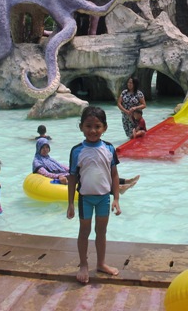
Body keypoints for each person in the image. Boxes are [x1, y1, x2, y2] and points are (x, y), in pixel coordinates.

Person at [67, 106, 122, 284]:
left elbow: (114, 174)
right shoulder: (77, 150)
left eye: (97, 126)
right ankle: (83, 264)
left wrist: (116, 198)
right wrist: (70, 203)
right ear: (81, 127)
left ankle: (101, 263)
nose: (93, 130)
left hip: (104, 198)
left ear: (104, 127)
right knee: (84, 231)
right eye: (88, 126)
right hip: (85, 198)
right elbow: (72, 178)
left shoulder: (109, 148)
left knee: (101, 231)